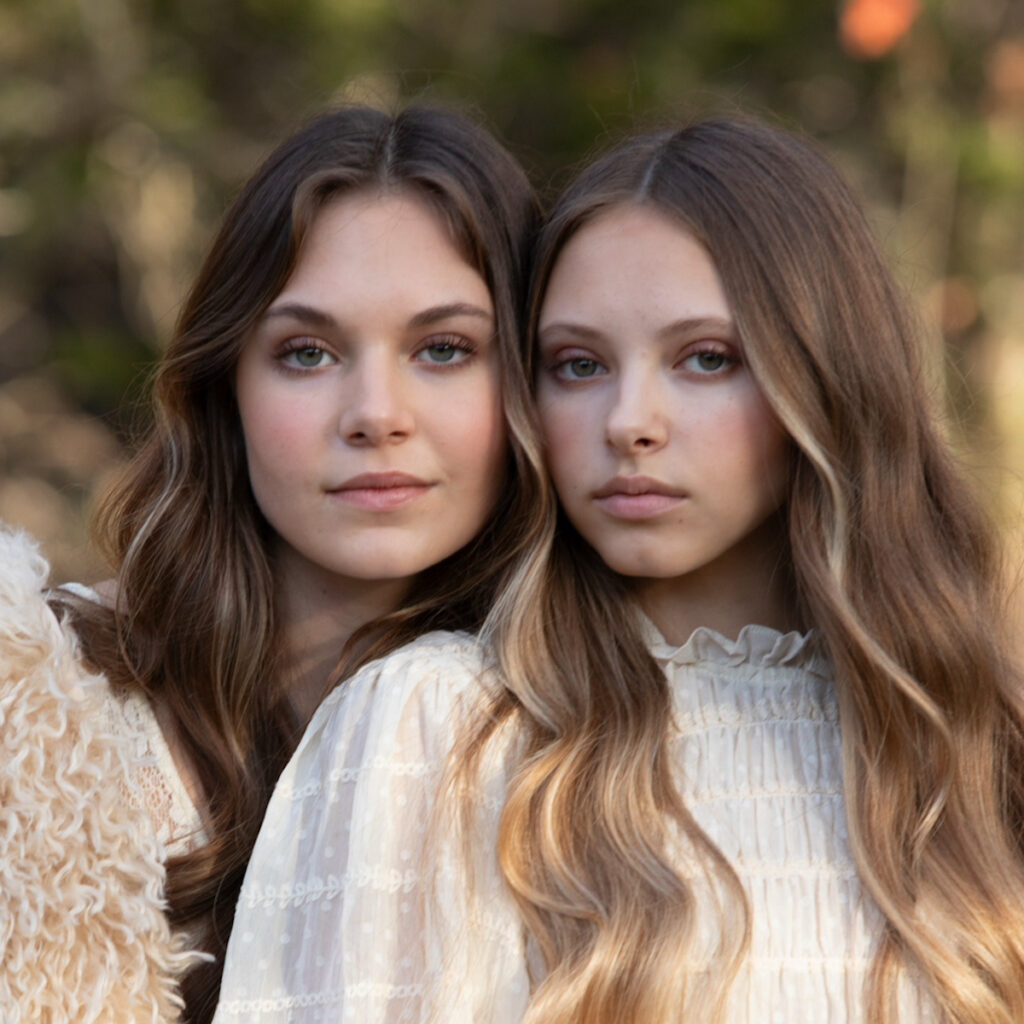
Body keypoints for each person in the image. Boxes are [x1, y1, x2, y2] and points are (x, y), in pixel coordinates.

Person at [214, 116, 1024, 1024]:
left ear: (828, 379)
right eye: (579, 365)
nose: (630, 422)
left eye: (706, 359)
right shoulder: (438, 726)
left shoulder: (962, 740)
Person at [0, 103, 545, 1023]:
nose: (376, 414)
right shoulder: (30, 709)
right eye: (308, 353)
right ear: (229, 389)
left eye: (444, 349)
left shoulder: (603, 736)